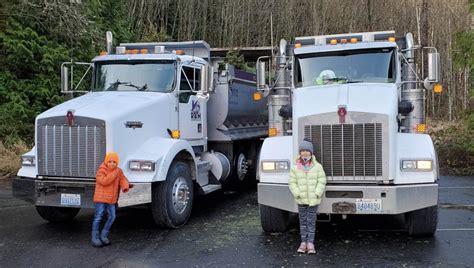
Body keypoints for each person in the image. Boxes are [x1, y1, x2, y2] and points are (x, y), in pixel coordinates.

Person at [288, 139, 327, 254]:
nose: (305, 153)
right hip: (301, 200)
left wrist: (317, 193)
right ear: (300, 153)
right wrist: (297, 193)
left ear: (311, 153)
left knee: (311, 221)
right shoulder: (295, 167)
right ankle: (303, 242)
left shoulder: (317, 167)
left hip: (313, 200)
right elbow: (292, 182)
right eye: (303, 151)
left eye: (307, 151)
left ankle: (311, 243)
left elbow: (322, 180)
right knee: (303, 221)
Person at [91, 152, 133, 247]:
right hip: (100, 199)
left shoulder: (119, 171)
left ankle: (104, 236)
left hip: (111, 200)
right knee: (98, 217)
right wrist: (114, 173)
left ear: (117, 163)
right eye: (109, 161)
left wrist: (125, 186)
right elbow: (104, 181)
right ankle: (95, 238)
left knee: (112, 216)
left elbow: (123, 179)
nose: (112, 164)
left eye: (114, 162)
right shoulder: (101, 171)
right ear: (106, 162)